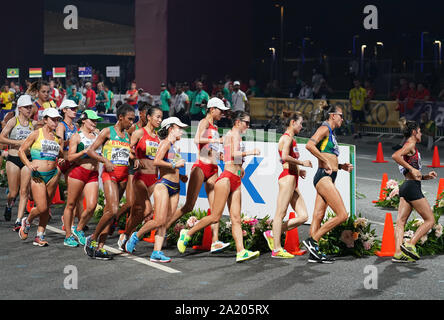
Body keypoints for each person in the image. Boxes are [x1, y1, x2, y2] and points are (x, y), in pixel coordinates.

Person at [177, 111, 261, 263]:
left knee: (236, 218)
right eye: (246, 122)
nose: (248, 125)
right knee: (215, 216)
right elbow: (234, 153)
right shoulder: (231, 135)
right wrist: (250, 152)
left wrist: (240, 166)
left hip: (235, 179)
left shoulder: (236, 136)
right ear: (237, 122)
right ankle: (187, 233)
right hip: (226, 178)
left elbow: (227, 155)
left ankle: (241, 251)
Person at [166, 97, 230, 253]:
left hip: (213, 169)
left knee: (216, 210)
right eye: (221, 110)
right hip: (201, 167)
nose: (223, 114)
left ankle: (215, 242)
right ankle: (162, 229)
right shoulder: (204, 122)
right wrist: (218, 140)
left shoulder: (214, 127)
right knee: (188, 206)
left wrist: (221, 154)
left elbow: (211, 148)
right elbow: (196, 140)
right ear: (212, 109)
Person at [124, 117, 189, 263]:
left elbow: (168, 163)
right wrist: (174, 165)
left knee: (165, 222)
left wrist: (182, 175)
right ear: (171, 128)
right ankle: (136, 235)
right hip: (164, 185)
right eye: (179, 128)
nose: (182, 131)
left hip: (176, 186)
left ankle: (156, 252)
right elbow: (157, 161)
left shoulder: (174, 146)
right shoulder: (165, 143)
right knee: (159, 219)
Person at [303, 102, 354, 263]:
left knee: (318, 215)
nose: (342, 119)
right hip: (323, 177)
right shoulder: (324, 128)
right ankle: (313, 240)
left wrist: (341, 166)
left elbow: (328, 156)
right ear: (333, 115)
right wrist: (325, 160)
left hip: (327, 176)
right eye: (341, 116)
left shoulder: (330, 132)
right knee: (342, 215)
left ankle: (313, 253)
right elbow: (309, 145)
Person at [83, 103, 135, 260]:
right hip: (109, 174)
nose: (132, 123)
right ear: (120, 117)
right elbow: (91, 151)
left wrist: (135, 160)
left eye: (133, 120)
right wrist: (105, 160)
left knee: (110, 213)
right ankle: (91, 238)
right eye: (129, 119)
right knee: (113, 210)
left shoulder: (127, 135)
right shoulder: (108, 131)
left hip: (123, 176)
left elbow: (127, 154)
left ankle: (100, 247)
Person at [263, 111, 312, 258]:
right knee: (280, 213)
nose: (301, 126)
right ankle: (277, 249)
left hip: (292, 177)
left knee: (303, 216)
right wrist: (301, 162)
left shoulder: (290, 138)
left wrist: (299, 170)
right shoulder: (287, 138)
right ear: (292, 122)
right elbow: (284, 157)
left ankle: (273, 233)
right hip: (287, 178)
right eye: (300, 123)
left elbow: (286, 159)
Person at [117, 106, 163, 250]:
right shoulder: (138, 133)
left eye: (161, 118)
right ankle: (128, 235)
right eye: (157, 117)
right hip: (140, 177)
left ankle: (126, 235)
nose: (160, 120)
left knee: (139, 211)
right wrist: (135, 157)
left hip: (154, 177)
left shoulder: (158, 137)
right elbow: (127, 150)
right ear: (149, 117)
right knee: (147, 209)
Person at [391, 120, 437, 262]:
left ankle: (398, 253)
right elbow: (395, 156)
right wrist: (412, 169)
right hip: (412, 188)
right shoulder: (410, 144)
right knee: (430, 220)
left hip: (407, 185)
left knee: (400, 222)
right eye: (420, 131)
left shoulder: (411, 146)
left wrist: (424, 176)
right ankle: (410, 245)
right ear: (414, 132)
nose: (421, 133)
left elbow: (412, 171)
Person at [18, 108, 63, 246]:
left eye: (57, 120)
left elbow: (60, 155)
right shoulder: (36, 134)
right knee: (42, 207)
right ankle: (28, 221)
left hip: (52, 175)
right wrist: (29, 164)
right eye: (53, 119)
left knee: (46, 207)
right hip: (38, 174)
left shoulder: (57, 138)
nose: (56, 122)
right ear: (45, 119)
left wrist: (61, 159)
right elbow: (21, 151)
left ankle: (40, 235)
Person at [62, 110, 103, 247]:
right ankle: (68, 236)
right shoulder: (77, 136)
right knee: (71, 204)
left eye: (96, 120)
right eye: (92, 120)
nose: (95, 123)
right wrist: (84, 152)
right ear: (84, 120)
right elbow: (70, 157)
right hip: (79, 172)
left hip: (93, 174)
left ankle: (78, 229)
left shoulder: (98, 135)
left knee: (91, 206)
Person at [0, 95, 37, 229]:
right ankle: (9, 205)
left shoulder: (33, 124)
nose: (29, 109)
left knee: (24, 191)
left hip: (26, 159)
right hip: (13, 159)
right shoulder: (13, 121)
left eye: (30, 107)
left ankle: (18, 220)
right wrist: (17, 142)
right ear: (20, 108)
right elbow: (1, 138)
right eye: (26, 107)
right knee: (13, 193)